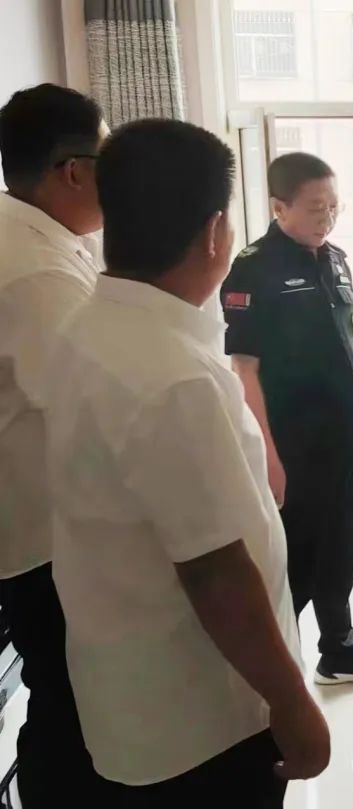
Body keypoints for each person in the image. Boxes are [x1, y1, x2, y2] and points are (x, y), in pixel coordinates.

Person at [42, 119, 329, 806]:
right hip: (206, 720)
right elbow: (215, 571)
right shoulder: (173, 375)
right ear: (215, 233)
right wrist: (293, 703)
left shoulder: (85, 328)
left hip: (133, 693)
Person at [220, 153, 353, 687]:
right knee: (295, 559)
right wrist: (268, 457)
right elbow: (245, 370)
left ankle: (339, 651)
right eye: (317, 207)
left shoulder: (336, 260)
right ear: (279, 207)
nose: (328, 217)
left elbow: (347, 352)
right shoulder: (254, 267)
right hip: (293, 446)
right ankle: (273, 667)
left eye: (335, 206)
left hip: (343, 437)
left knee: (343, 548)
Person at [0, 83, 109, 805]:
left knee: (70, 700)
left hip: (51, 524)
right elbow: (92, 399)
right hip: (48, 538)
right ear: (73, 170)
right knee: (70, 707)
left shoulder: (42, 240)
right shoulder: (33, 266)